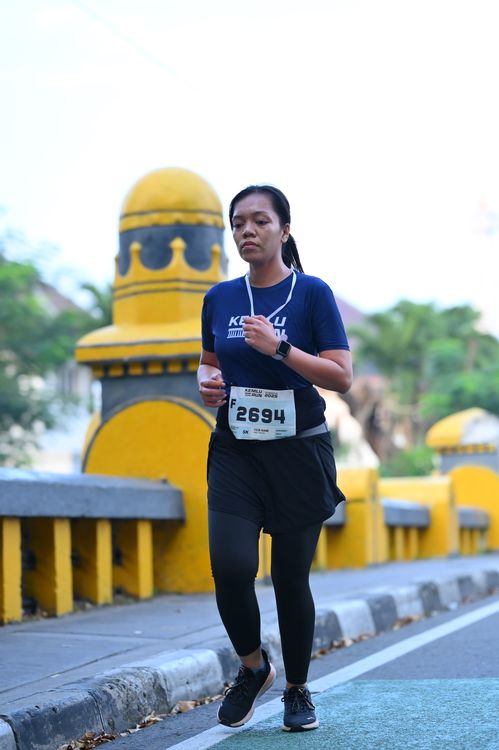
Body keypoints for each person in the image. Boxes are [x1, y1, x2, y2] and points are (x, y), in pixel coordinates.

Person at [197, 184, 352, 733]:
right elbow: (209, 360)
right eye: (238, 222)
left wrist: (280, 349)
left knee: (289, 578)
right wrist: (207, 382)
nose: (248, 230)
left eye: (260, 221)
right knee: (231, 567)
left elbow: (341, 376)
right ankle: (253, 667)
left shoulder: (312, 293)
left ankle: (297, 689)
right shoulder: (219, 297)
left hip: (299, 449)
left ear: (284, 230)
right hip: (236, 450)